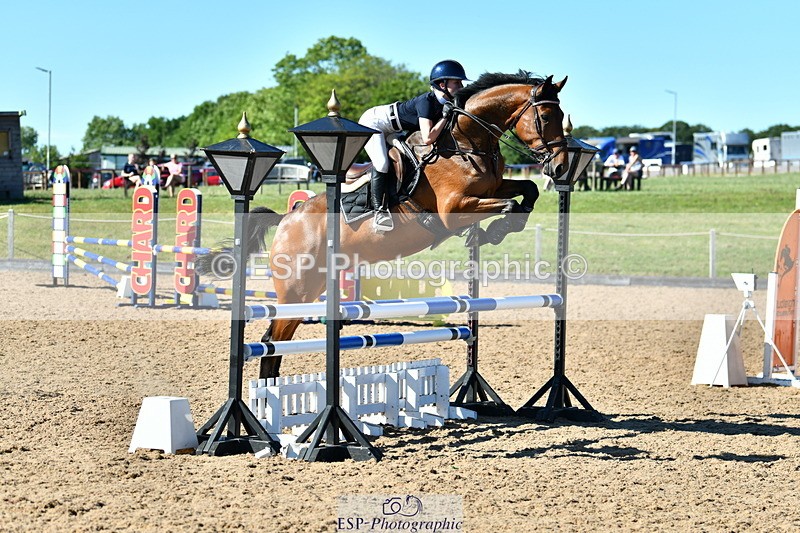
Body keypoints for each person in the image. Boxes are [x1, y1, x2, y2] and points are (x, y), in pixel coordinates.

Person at [359, 59, 469, 232]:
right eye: (457, 82)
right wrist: (445, 117)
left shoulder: (443, 103)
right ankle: (379, 211)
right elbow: (428, 138)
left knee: (410, 160)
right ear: (442, 84)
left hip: (394, 129)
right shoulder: (426, 102)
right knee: (381, 163)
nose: (461, 86)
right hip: (373, 124)